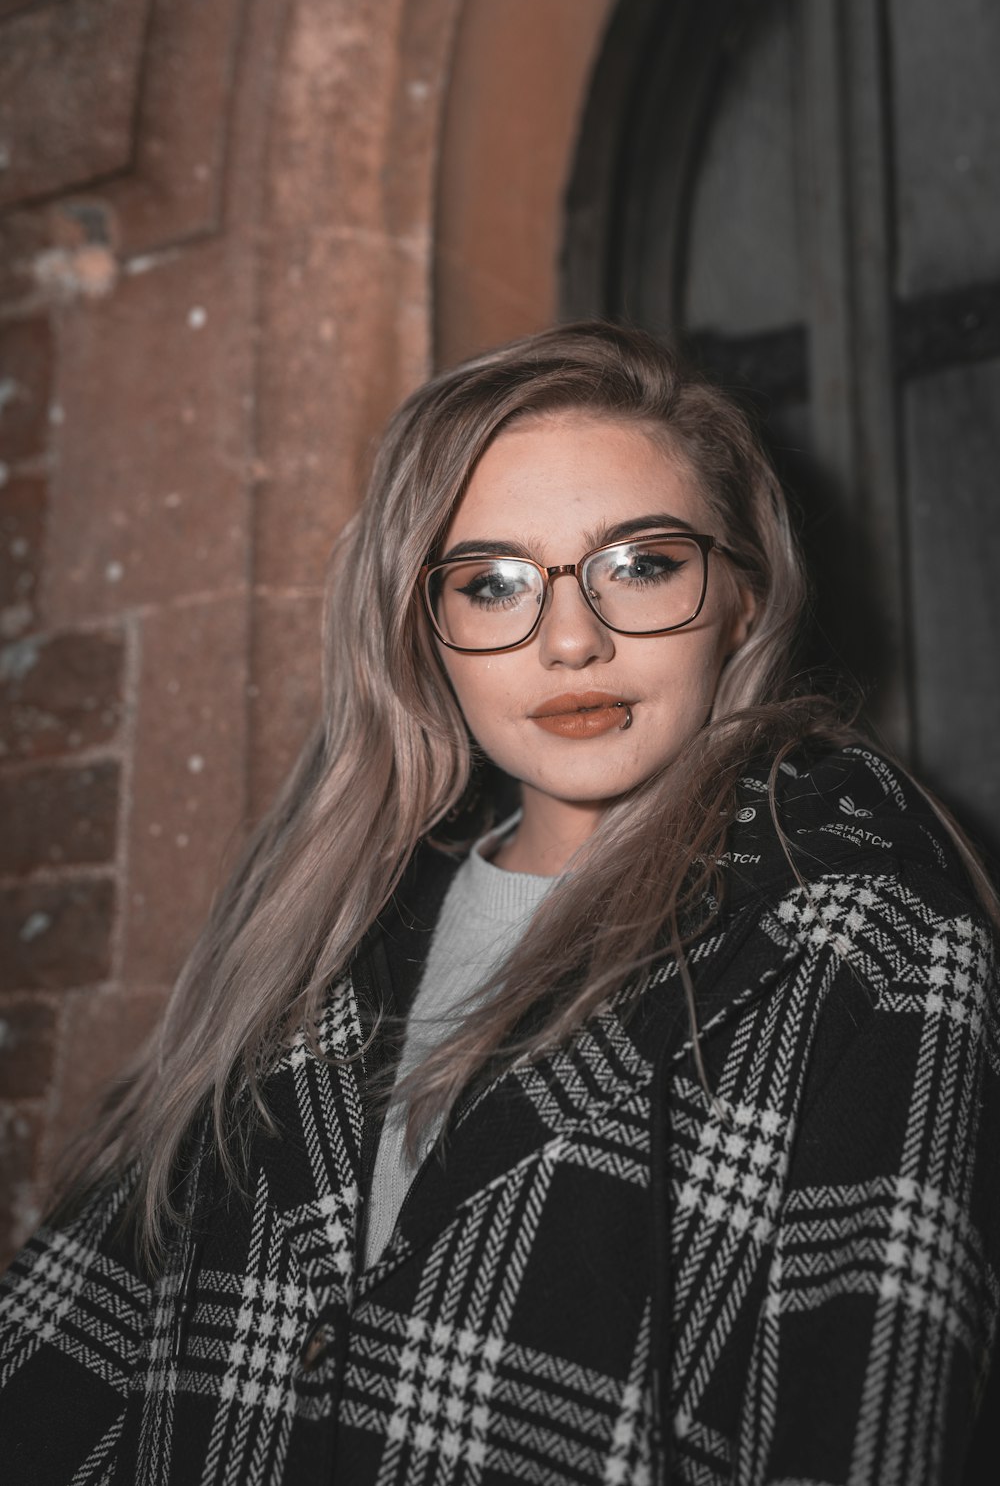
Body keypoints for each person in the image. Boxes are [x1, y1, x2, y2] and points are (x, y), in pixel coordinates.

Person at [1, 321, 997, 1485]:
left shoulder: (865, 937)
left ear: (743, 597)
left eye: (641, 564)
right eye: (491, 583)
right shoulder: (314, 932)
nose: (571, 639)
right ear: (427, 636)